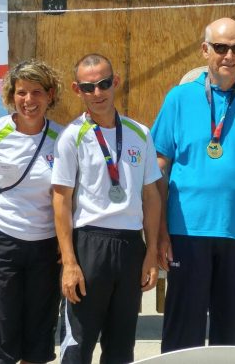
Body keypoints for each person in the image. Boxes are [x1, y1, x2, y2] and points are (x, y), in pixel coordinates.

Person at [151, 17, 235, 352]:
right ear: (205, 50)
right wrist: (159, 231)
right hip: (186, 232)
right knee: (184, 330)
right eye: (221, 47)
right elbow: (159, 168)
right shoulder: (179, 99)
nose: (229, 55)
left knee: (234, 334)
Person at [52, 54, 161, 364]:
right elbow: (60, 200)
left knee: (121, 346)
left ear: (115, 83)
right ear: (77, 89)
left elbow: (151, 195)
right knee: (79, 344)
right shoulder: (71, 137)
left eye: (102, 84)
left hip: (129, 246)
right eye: (88, 87)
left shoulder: (140, 133)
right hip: (89, 244)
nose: (97, 93)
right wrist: (70, 262)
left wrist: (151, 252)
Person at [0, 59, 63, 364]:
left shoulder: (62, 139)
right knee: (0, 325)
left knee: (39, 328)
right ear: (11, 95)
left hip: (46, 244)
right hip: (1, 240)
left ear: (50, 95)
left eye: (37, 92)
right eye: (21, 92)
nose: (29, 100)